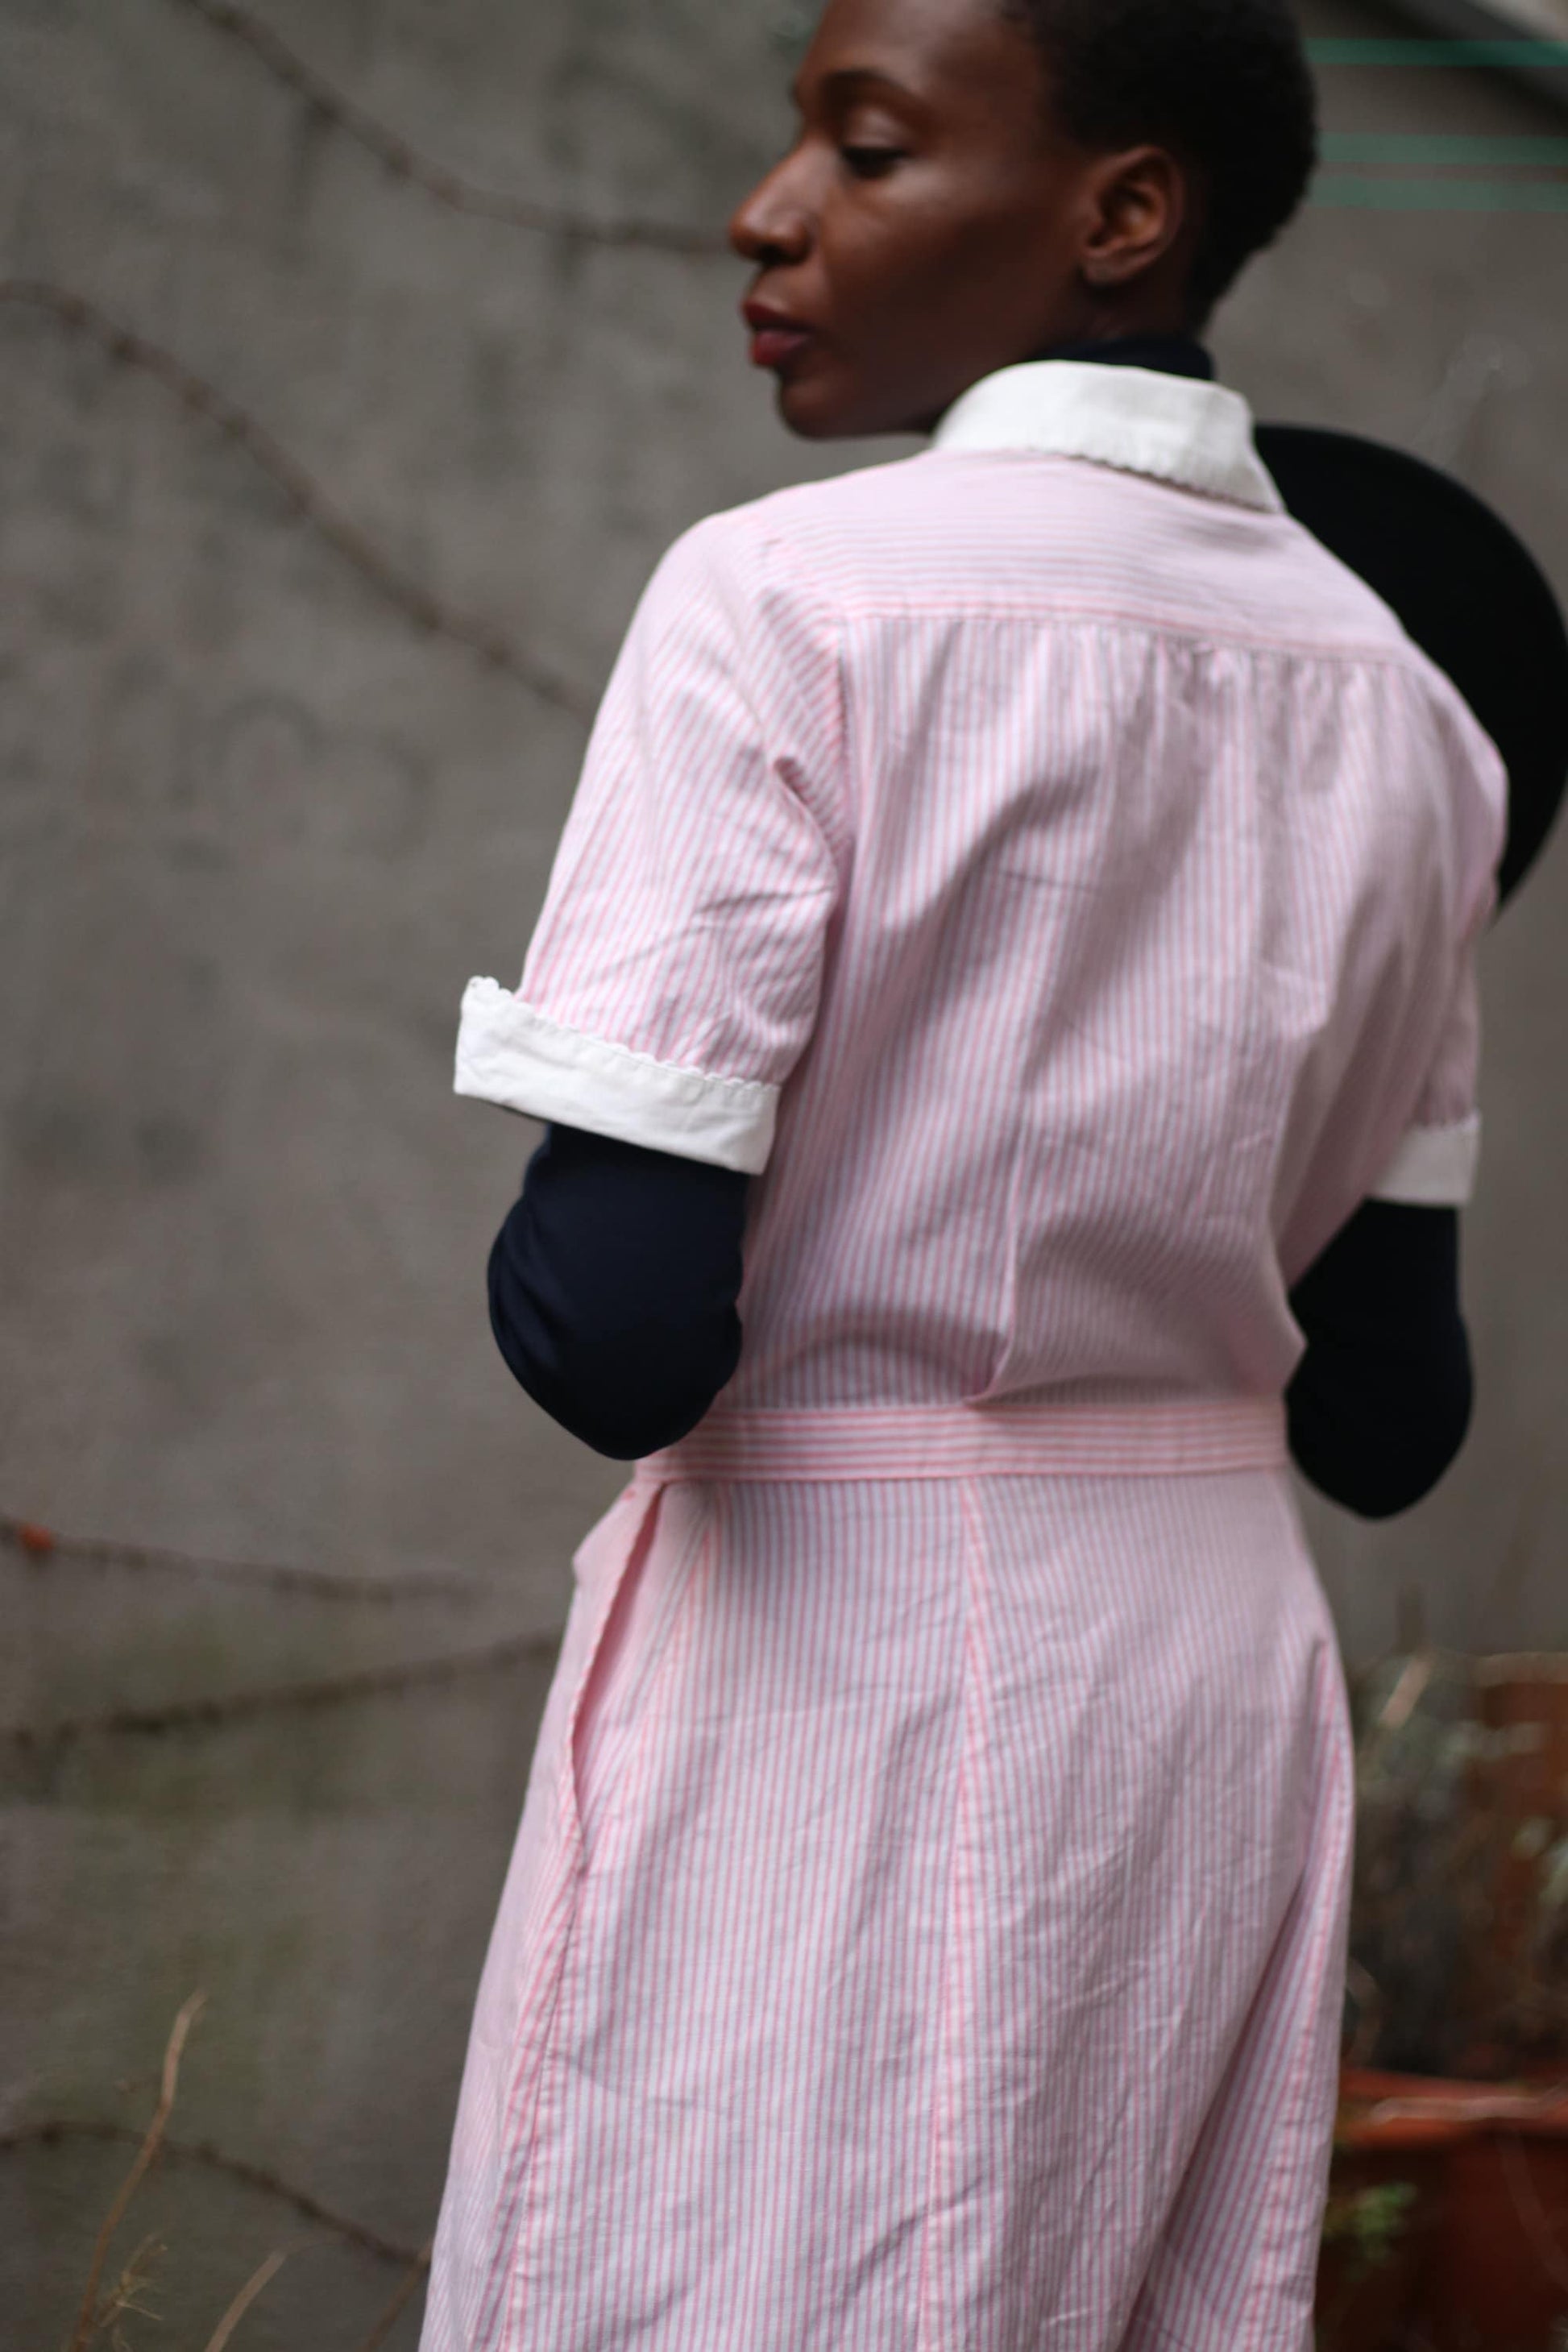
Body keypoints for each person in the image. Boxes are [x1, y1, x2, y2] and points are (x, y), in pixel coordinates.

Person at [425, 2, 1504, 2346]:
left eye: (867, 143)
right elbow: (1389, 1408)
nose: (768, 203)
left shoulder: (785, 595)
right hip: (1206, 1670)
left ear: (1120, 213)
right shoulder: (1415, 716)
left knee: (728, 2272)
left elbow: (612, 1332)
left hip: (847, 1647)